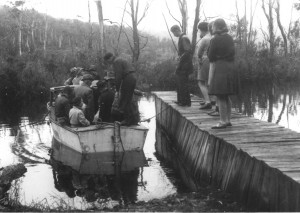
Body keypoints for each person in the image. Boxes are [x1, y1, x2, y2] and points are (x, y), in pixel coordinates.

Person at [208, 18, 236, 129]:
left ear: (216, 27)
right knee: (226, 95)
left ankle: (223, 121)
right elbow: (232, 53)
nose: (212, 28)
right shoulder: (229, 38)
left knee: (220, 95)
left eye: (213, 26)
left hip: (220, 67)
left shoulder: (215, 39)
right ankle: (228, 120)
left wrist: (218, 56)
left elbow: (210, 56)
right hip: (230, 66)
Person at [103, 52, 139, 125]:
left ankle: (128, 120)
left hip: (128, 78)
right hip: (132, 77)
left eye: (108, 61)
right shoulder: (121, 59)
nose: (109, 63)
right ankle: (133, 119)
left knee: (125, 99)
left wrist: (117, 88)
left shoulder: (116, 61)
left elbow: (118, 76)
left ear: (110, 58)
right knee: (128, 98)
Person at [170, 25, 193, 107]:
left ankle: (185, 102)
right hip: (183, 64)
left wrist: (180, 59)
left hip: (184, 65)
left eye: (173, 33)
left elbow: (187, 51)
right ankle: (181, 101)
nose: (173, 35)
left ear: (177, 30)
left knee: (182, 82)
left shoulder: (184, 38)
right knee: (180, 82)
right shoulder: (182, 38)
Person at [197, 22, 213, 110]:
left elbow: (199, 52)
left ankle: (207, 101)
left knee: (201, 81)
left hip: (204, 60)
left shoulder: (205, 39)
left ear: (201, 30)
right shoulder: (213, 37)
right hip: (213, 61)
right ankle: (213, 99)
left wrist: (199, 59)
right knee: (209, 80)